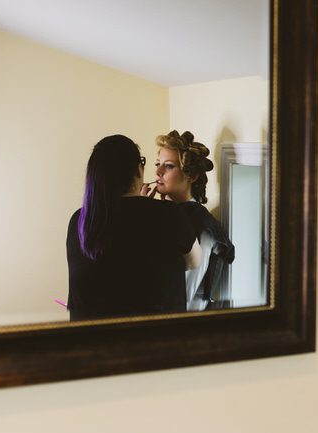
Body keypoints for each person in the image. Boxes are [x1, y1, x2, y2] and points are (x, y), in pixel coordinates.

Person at [66, 134, 201, 321]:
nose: (158, 173)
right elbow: (195, 261)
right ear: (139, 170)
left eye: (169, 166)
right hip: (156, 342)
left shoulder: (78, 221)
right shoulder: (169, 214)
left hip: (91, 342)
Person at [144, 130, 235, 310]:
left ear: (191, 176)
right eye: (157, 164)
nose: (158, 171)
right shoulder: (158, 213)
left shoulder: (202, 225)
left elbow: (185, 295)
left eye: (169, 166)